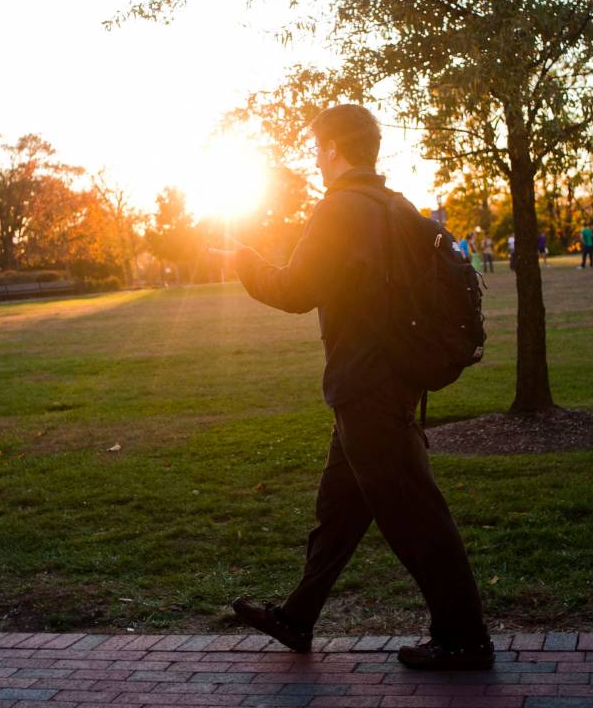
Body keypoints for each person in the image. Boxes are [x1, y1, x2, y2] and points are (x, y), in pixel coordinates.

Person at [208, 104, 493, 671]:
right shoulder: (394, 205)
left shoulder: (339, 209)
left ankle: (464, 636)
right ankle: (297, 616)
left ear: (335, 147)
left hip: (368, 384)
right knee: (339, 511)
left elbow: (295, 288)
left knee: (415, 512)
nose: (315, 158)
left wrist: (244, 261)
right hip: (389, 379)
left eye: (318, 148)